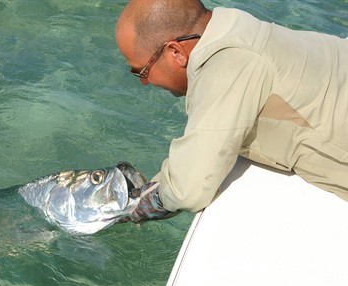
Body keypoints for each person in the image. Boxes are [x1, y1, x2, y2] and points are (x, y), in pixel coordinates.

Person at [116, 0, 348, 222]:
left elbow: (189, 188)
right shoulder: (238, 28)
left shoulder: (225, 67)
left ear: (176, 52)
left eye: (142, 72)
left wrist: (138, 205)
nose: (144, 83)